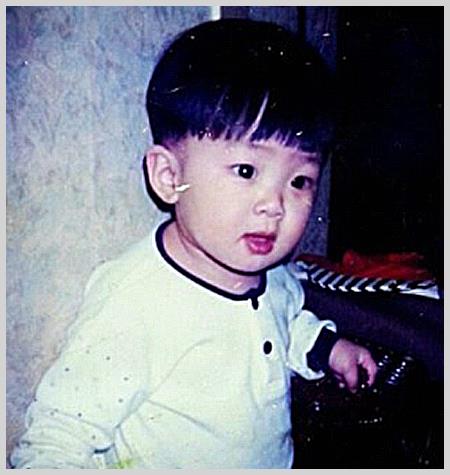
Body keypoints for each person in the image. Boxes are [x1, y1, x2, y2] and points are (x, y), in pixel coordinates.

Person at [10, 18, 378, 469]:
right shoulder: (137, 304)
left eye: (300, 180)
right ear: (170, 177)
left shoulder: (270, 274)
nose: (275, 205)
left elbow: (286, 320)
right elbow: (58, 437)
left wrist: (328, 348)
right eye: (247, 171)